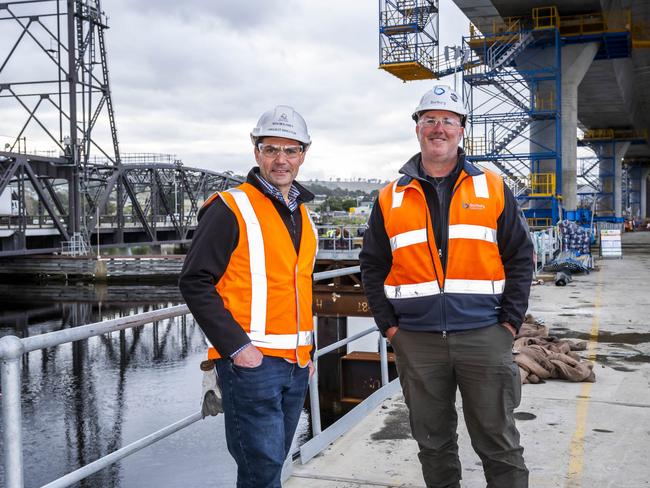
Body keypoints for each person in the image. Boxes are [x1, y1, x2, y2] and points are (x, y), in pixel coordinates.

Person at [360, 85, 533, 488]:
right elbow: (372, 265)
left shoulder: (491, 188)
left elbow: (520, 257)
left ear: (461, 130)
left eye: (448, 121)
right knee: (433, 443)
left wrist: (509, 323)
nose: (439, 128)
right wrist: (390, 328)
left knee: (498, 442)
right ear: (417, 128)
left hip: (483, 335)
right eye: (430, 120)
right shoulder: (390, 197)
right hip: (417, 341)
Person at [179, 105, 317, 488]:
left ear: (303, 154)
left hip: (295, 364)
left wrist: (310, 352)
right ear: (256, 151)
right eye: (272, 149)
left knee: (270, 468)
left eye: (291, 151)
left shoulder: (303, 216)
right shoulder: (229, 208)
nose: (281, 160)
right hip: (252, 365)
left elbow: (297, 287)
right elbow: (194, 281)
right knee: (262, 471)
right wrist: (238, 348)